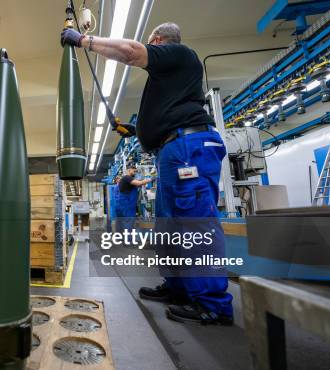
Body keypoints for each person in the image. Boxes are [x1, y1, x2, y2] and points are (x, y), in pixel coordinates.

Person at [62, 22, 233, 325]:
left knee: (194, 223)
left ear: (157, 41)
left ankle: (213, 304)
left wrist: (84, 40)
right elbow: (164, 112)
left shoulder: (179, 54)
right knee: (169, 226)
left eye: (151, 42)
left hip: (187, 146)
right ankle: (178, 288)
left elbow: (129, 51)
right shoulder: (170, 76)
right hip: (171, 150)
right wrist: (136, 132)